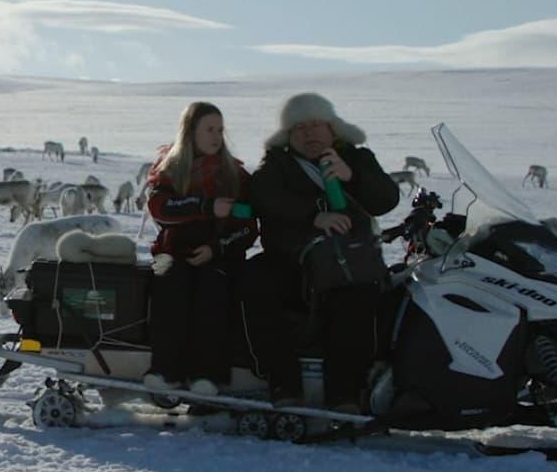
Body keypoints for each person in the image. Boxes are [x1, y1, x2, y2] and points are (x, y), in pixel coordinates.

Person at [240, 93, 399, 411]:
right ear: (288, 135)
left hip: (348, 263)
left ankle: (345, 396)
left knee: (356, 297)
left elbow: (386, 200)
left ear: (333, 128)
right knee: (256, 276)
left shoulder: (357, 159)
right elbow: (265, 197)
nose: (308, 133)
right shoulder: (278, 164)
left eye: (315, 125)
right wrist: (312, 215)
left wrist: (351, 177)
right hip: (293, 265)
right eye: (299, 128)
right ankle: (284, 385)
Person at [144, 101, 258, 397]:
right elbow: (159, 208)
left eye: (220, 129)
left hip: (220, 255)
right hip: (175, 253)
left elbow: (248, 226)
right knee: (169, 289)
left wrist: (217, 248)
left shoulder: (236, 175)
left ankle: (208, 376)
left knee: (213, 293)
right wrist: (206, 207)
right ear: (190, 131)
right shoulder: (169, 169)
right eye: (209, 129)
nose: (216, 136)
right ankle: (166, 372)